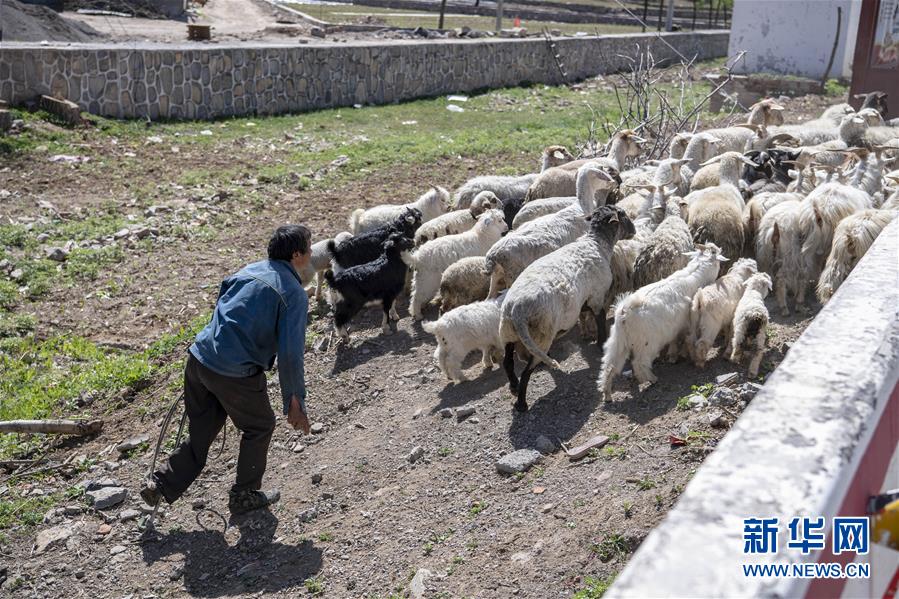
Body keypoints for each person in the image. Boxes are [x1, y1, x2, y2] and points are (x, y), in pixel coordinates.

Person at [141, 225, 313, 515]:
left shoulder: (247, 271)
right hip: (235, 373)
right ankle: (244, 495)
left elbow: (222, 306)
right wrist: (294, 400)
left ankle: (161, 484)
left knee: (202, 430)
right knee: (259, 426)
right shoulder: (293, 293)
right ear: (296, 254)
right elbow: (290, 355)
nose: (312, 252)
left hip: (200, 358)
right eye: (309, 247)